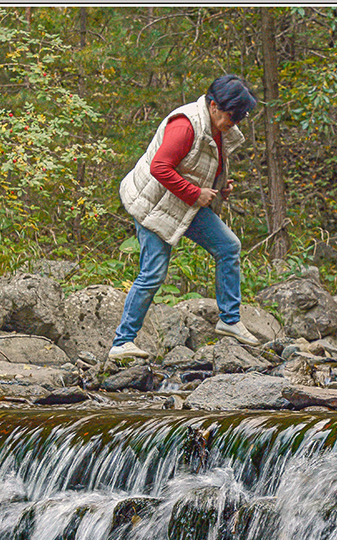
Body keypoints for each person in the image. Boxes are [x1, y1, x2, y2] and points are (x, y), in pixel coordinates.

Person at [109, 74, 262, 361]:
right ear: (214, 105)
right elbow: (160, 167)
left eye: (240, 117)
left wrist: (219, 187)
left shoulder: (218, 127)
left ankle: (229, 321)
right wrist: (195, 193)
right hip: (153, 204)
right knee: (153, 273)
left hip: (183, 203)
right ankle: (122, 342)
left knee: (228, 247)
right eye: (232, 115)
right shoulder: (185, 125)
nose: (235, 122)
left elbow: (201, 164)